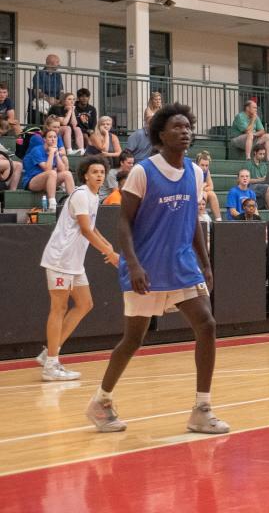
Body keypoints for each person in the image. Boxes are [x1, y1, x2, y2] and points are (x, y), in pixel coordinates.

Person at [86, 103, 229, 435]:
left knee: (206, 325)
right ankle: (101, 400)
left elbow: (192, 221)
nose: (185, 131)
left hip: (182, 265)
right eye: (177, 127)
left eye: (188, 126)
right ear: (160, 135)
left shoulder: (195, 172)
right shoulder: (143, 171)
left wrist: (205, 262)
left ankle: (202, 408)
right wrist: (132, 263)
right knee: (132, 340)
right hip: (146, 267)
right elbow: (123, 222)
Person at [37, 156, 119, 381]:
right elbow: (85, 230)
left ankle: (49, 353)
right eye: (95, 172)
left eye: (102, 172)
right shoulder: (82, 195)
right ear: (85, 175)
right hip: (60, 259)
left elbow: (91, 227)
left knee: (85, 304)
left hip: (74, 262)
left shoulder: (93, 197)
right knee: (59, 308)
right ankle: (51, 365)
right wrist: (109, 253)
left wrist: (108, 244)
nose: (99, 175)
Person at [21, 128, 75, 205]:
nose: (53, 139)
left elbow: (62, 169)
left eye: (55, 137)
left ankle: (73, 202)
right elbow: (47, 169)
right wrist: (52, 153)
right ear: (44, 139)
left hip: (48, 181)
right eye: (50, 137)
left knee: (67, 174)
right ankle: (52, 203)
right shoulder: (37, 150)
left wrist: (56, 154)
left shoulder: (54, 150)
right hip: (32, 181)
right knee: (52, 173)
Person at [194, 151, 223, 222]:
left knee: (211, 194)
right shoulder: (193, 171)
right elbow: (193, 188)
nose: (204, 168)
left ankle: (219, 220)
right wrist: (203, 187)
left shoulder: (207, 172)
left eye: (206, 165)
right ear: (197, 164)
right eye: (202, 165)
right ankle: (200, 216)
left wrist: (202, 188)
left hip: (201, 192)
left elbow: (211, 187)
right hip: (192, 195)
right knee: (204, 194)